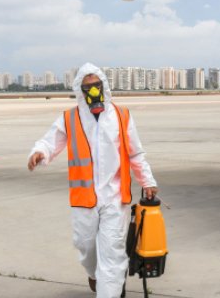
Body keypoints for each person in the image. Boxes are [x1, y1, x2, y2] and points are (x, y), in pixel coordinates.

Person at [28, 63, 158, 298]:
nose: (93, 91)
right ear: (80, 90)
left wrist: (147, 181)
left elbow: (135, 153)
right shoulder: (70, 117)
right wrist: (39, 153)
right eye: (87, 87)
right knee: (86, 247)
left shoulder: (121, 116)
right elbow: (50, 141)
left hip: (115, 197)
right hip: (84, 200)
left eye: (96, 85)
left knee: (113, 254)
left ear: (104, 86)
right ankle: (93, 274)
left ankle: (109, 291)